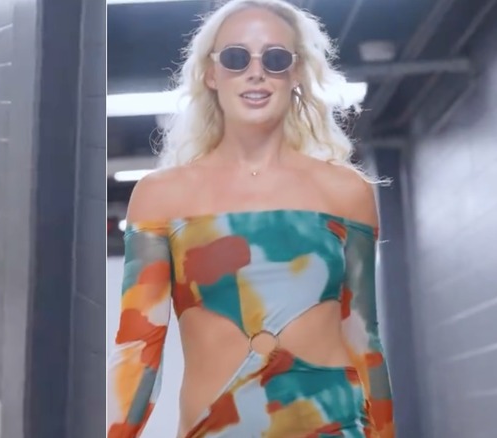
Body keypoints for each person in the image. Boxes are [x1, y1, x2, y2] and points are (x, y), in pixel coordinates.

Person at [106, 0, 394, 437]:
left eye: (275, 59)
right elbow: (138, 348)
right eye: (236, 58)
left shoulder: (345, 192)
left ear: (296, 74)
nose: (255, 72)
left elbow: (363, 340)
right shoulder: (161, 196)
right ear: (210, 72)